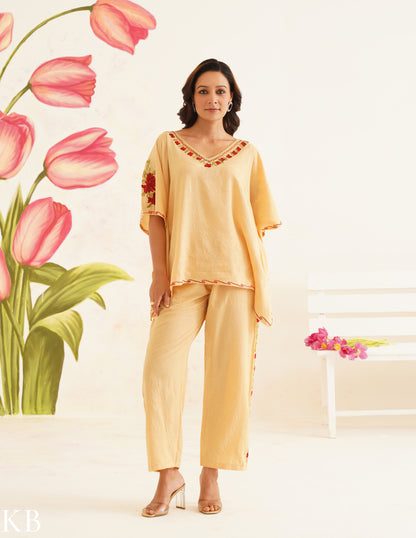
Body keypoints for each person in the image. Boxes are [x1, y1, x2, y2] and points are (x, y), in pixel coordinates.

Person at [139, 58, 282, 517]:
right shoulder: (167, 145)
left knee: (228, 378)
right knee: (159, 372)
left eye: (221, 91)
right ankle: (168, 474)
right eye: (203, 91)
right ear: (191, 97)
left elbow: (256, 224)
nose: (212, 99)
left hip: (237, 277)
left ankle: (211, 473)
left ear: (232, 98)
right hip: (181, 277)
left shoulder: (247, 154)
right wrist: (159, 272)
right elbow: (155, 211)